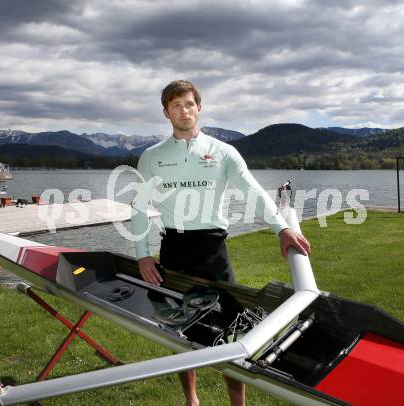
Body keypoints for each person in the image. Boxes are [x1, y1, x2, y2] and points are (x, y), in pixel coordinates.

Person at [130, 80, 311, 406]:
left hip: (213, 250)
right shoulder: (151, 157)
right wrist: (143, 255)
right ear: (165, 113)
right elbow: (140, 208)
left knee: (233, 332)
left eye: (188, 104)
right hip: (174, 249)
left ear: (199, 107)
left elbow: (253, 192)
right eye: (176, 106)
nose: (183, 111)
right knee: (179, 329)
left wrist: (281, 228)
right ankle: (192, 400)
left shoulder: (224, 152)